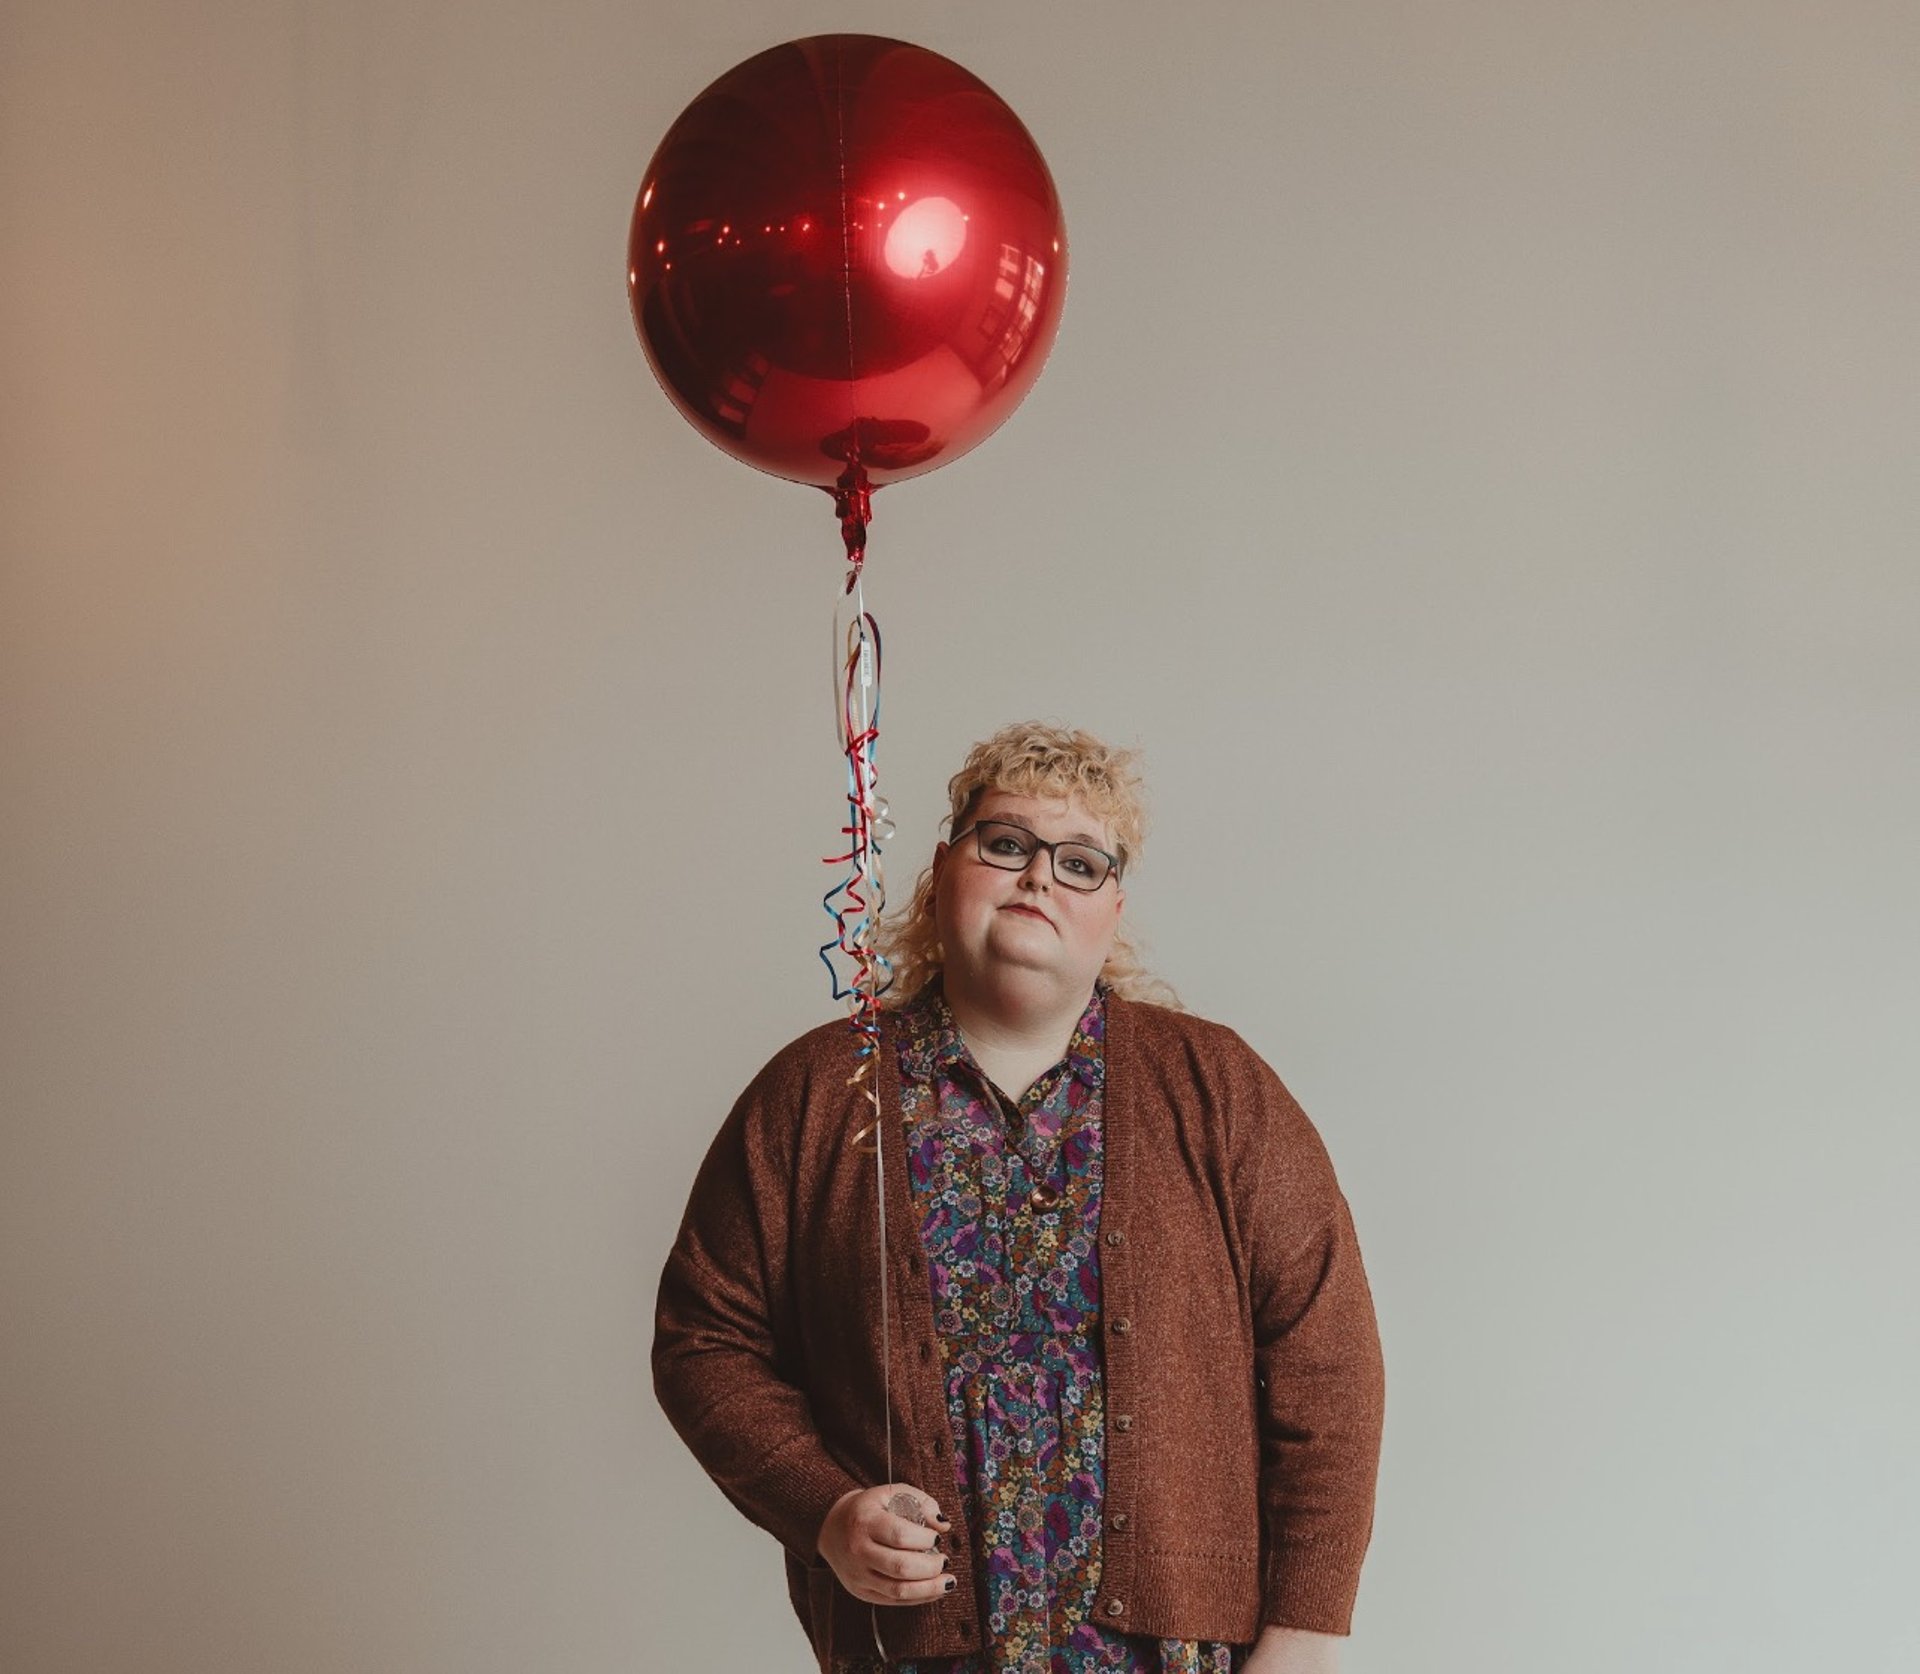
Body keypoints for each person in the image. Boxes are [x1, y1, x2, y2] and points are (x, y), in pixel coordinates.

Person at [654, 723, 1385, 1674]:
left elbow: (1327, 1366)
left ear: (1113, 908)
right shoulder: (818, 1095)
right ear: (941, 869)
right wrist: (824, 1511)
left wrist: (1307, 1631)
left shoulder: (1219, 1090)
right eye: (1005, 845)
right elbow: (705, 1339)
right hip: (914, 1654)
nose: (1038, 878)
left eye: (1079, 863)